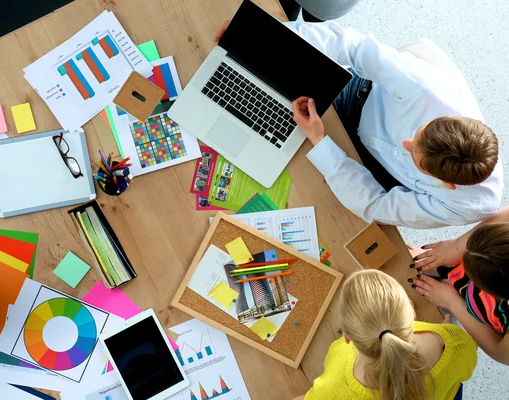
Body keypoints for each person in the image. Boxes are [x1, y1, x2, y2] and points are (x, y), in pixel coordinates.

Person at [214, 20, 503, 228]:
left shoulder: (466, 205)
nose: (407, 143)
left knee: (300, 188)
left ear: (445, 184)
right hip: (361, 99)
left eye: (415, 154)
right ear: (447, 119)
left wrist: (321, 142)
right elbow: (352, 46)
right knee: (260, 86)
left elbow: (377, 205)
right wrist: (261, 36)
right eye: (419, 134)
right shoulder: (424, 88)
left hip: (379, 172)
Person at [293, 270, 476, 400]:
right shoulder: (455, 342)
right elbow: (464, 371)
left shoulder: (336, 373)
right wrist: (445, 333)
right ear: (411, 314)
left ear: (347, 337)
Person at [411, 207, 509, 365]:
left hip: (486, 314)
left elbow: (501, 352)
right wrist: (458, 246)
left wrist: (453, 302)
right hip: (487, 277)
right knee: (410, 264)